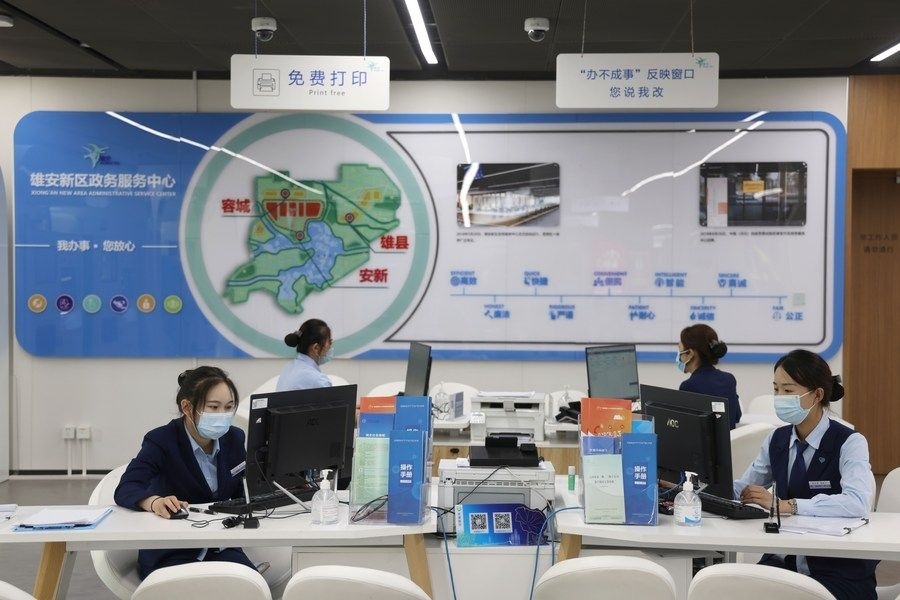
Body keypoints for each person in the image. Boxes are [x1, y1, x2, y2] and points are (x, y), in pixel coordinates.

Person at [735, 349, 877, 600]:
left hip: (836, 571)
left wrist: (788, 505)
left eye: (788, 390)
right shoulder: (777, 439)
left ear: (817, 395)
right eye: (776, 389)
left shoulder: (849, 442)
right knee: (735, 590)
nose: (779, 397)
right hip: (782, 562)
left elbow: (857, 502)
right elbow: (744, 488)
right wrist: (691, 486)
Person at [114, 366, 256, 579]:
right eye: (213, 407)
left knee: (251, 584)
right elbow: (126, 487)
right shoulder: (161, 440)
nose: (222, 415)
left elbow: (243, 489)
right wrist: (154, 502)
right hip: (171, 550)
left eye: (228, 407)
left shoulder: (234, 438)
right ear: (187, 407)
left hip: (221, 546)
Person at [677, 324, 741, 429]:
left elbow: (683, 426)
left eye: (680, 351)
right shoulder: (729, 379)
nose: (679, 356)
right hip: (729, 439)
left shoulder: (688, 386)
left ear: (690, 354)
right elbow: (737, 416)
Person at [276, 318, 333, 392]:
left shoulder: (289, 367)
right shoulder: (319, 381)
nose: (330, 347)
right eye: (330, 342)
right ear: (316, 348)